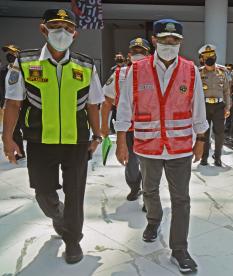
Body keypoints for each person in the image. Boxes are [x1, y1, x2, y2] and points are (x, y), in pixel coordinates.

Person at [1, 9, 104, 264]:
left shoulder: (86, 65)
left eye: (67, 27)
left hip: (76, 142)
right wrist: (7, 139)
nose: (62, 32)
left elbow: (93, 105)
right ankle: (58, 216)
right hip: (39, 141)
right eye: (56, 26)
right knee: (44, 194)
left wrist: (98, 135)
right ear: (43, 29)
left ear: (74, 33)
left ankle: (73, 241)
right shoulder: (25, 62)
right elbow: (12, 103)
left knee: (75, 193)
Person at [115, 19, 208, 273]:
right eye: (165, 39)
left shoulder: (190, 70)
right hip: (148, 144)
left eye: (175, 40)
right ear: (154, 40)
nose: (170, 44)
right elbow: (124, 108)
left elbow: (198, 107)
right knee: (150, 190)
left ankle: (180, 249)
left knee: (182, 199)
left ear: (181, 42)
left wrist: (201, 139)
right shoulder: (136, 70)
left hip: (180, 147)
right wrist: (121, 141)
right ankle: (154, 221)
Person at [101, 38, 150, 202]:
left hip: (150, 127)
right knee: (130, 162)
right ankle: (135, 187)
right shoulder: (119, 74)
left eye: (141, 52)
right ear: (129, 54)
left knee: (150, 163)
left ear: (148, 54)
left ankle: (149, 194)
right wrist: (104, 125)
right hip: (127, 128)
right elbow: (107, 101)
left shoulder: (156, 74)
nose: (138, 54)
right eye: (135, 51)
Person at [198, 44, 231, 167]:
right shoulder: (198, 72)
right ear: (202, 59)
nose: (209, 57)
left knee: (219, 133)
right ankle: (204, 157)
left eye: (211, 55)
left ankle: (217, 157)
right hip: (204, 107)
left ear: (215, 56)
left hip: (219, 107)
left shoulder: (223, 71)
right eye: (206, 56)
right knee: (204, 133)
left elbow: (227, 91)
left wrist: (227, 107)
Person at [1, 44, 26, 160]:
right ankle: (20, 151)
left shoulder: (25, 70)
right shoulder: (3, 71)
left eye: (12, 53)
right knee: (15, 129)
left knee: (29, 129)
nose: (9, 56)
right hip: (9, 105)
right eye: (7, 54)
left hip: (24, 105)